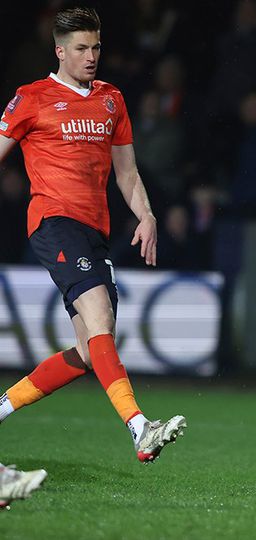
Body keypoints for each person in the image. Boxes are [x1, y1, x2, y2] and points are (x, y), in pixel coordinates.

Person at [0, 7, 185, 462]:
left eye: (96, 47)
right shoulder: (31, 97)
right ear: (60, 50)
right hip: (54, 220)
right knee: (100, 317)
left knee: (89, 350)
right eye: (81, 48)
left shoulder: (111, 100)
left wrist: (146, 215)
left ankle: (1, 406)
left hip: (94, 229)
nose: (91, 56)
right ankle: (140, 427)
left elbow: (127, 172)